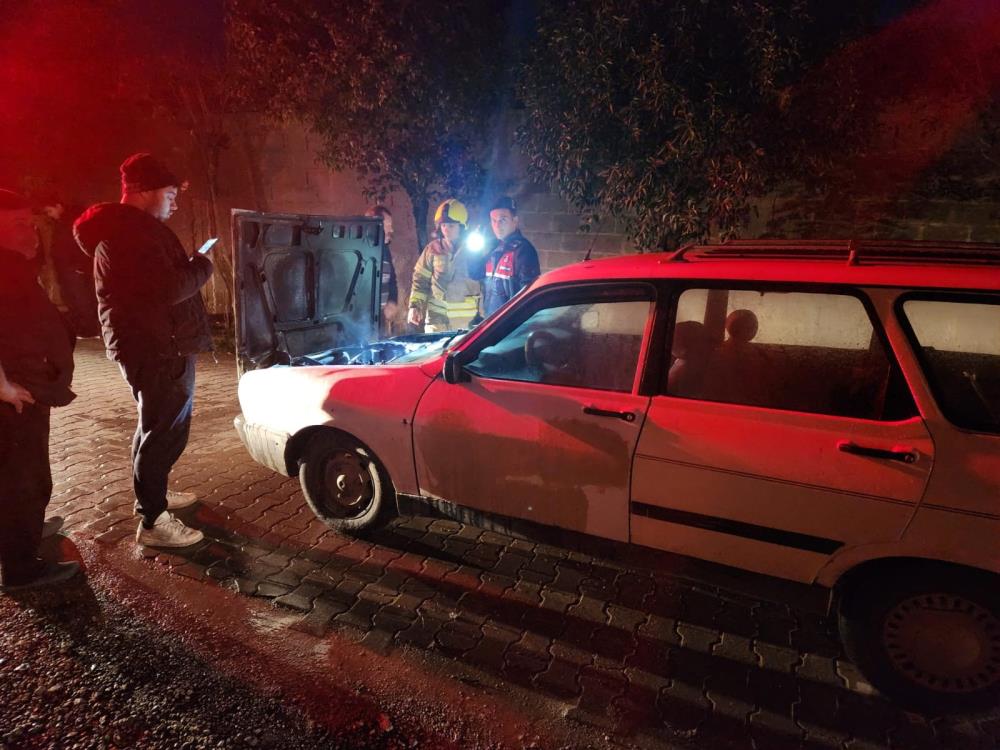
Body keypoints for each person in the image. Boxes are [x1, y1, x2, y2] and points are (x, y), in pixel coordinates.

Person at [74, 153, 212, 549]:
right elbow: (168, 290)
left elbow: (156, 285)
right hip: (157, 347)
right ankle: (153, 520)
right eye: (169, 193)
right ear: (142, 191)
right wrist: (202, 265)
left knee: (154, 425)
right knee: (163, 431)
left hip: (152, 344)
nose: (175, 201)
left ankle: (155, 497)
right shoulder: (132, 234)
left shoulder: (130, 230)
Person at [0, 189, 80, 591]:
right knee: (20, 481)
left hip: (29, 389)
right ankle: (20, 568)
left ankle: (25, 532)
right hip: (15, 397)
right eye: (16, 224)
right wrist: (3, 387)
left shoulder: (14, 265)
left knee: (28, 477)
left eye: (28, 222)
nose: (28, 231)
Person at [407, 199, 481, 332]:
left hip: (466, 325)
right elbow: (420, 280)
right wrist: (415, 306)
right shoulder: (432, 249)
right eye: (443, 225)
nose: (446, 229)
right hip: (436, 324)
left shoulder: (475, 250)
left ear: (462, 226)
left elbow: (486, 285)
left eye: (451, 225)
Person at [475, 196, 540, 317]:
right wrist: (473, 252)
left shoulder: (523, 250)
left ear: (515, 221)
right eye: (493, 220)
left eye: (502, 220)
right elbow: (475, 273)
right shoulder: (492, 248)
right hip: (490, 322)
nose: (497, 225)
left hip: (508, 326)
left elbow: (528, 296)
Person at [364, 205, 399, 335]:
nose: (392, 229)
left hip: (381, 322)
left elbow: (392, 280)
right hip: (363, 323)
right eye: (388, 225)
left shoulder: (385, 250)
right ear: (375, 225)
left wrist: (392, 301)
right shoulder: (361, 250)